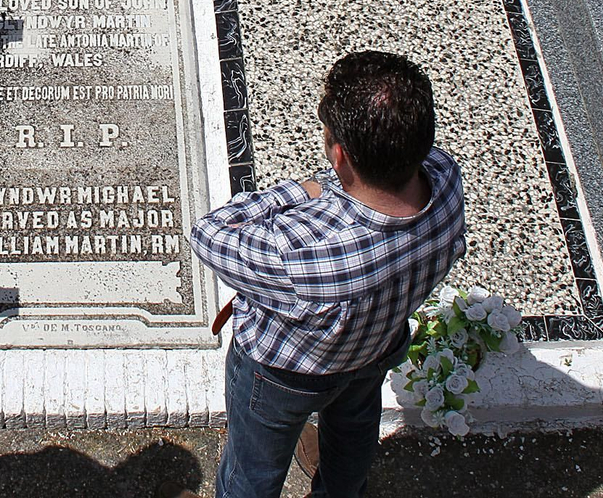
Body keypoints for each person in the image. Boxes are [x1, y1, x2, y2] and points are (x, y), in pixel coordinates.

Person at [190, 51, 467, 498]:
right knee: (353, 440)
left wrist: (306, 188)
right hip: (374, 351)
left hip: (282, 376)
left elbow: (210, 234)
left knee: (253, 472)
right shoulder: (446, 181)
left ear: (340, 154)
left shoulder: (301, 252)